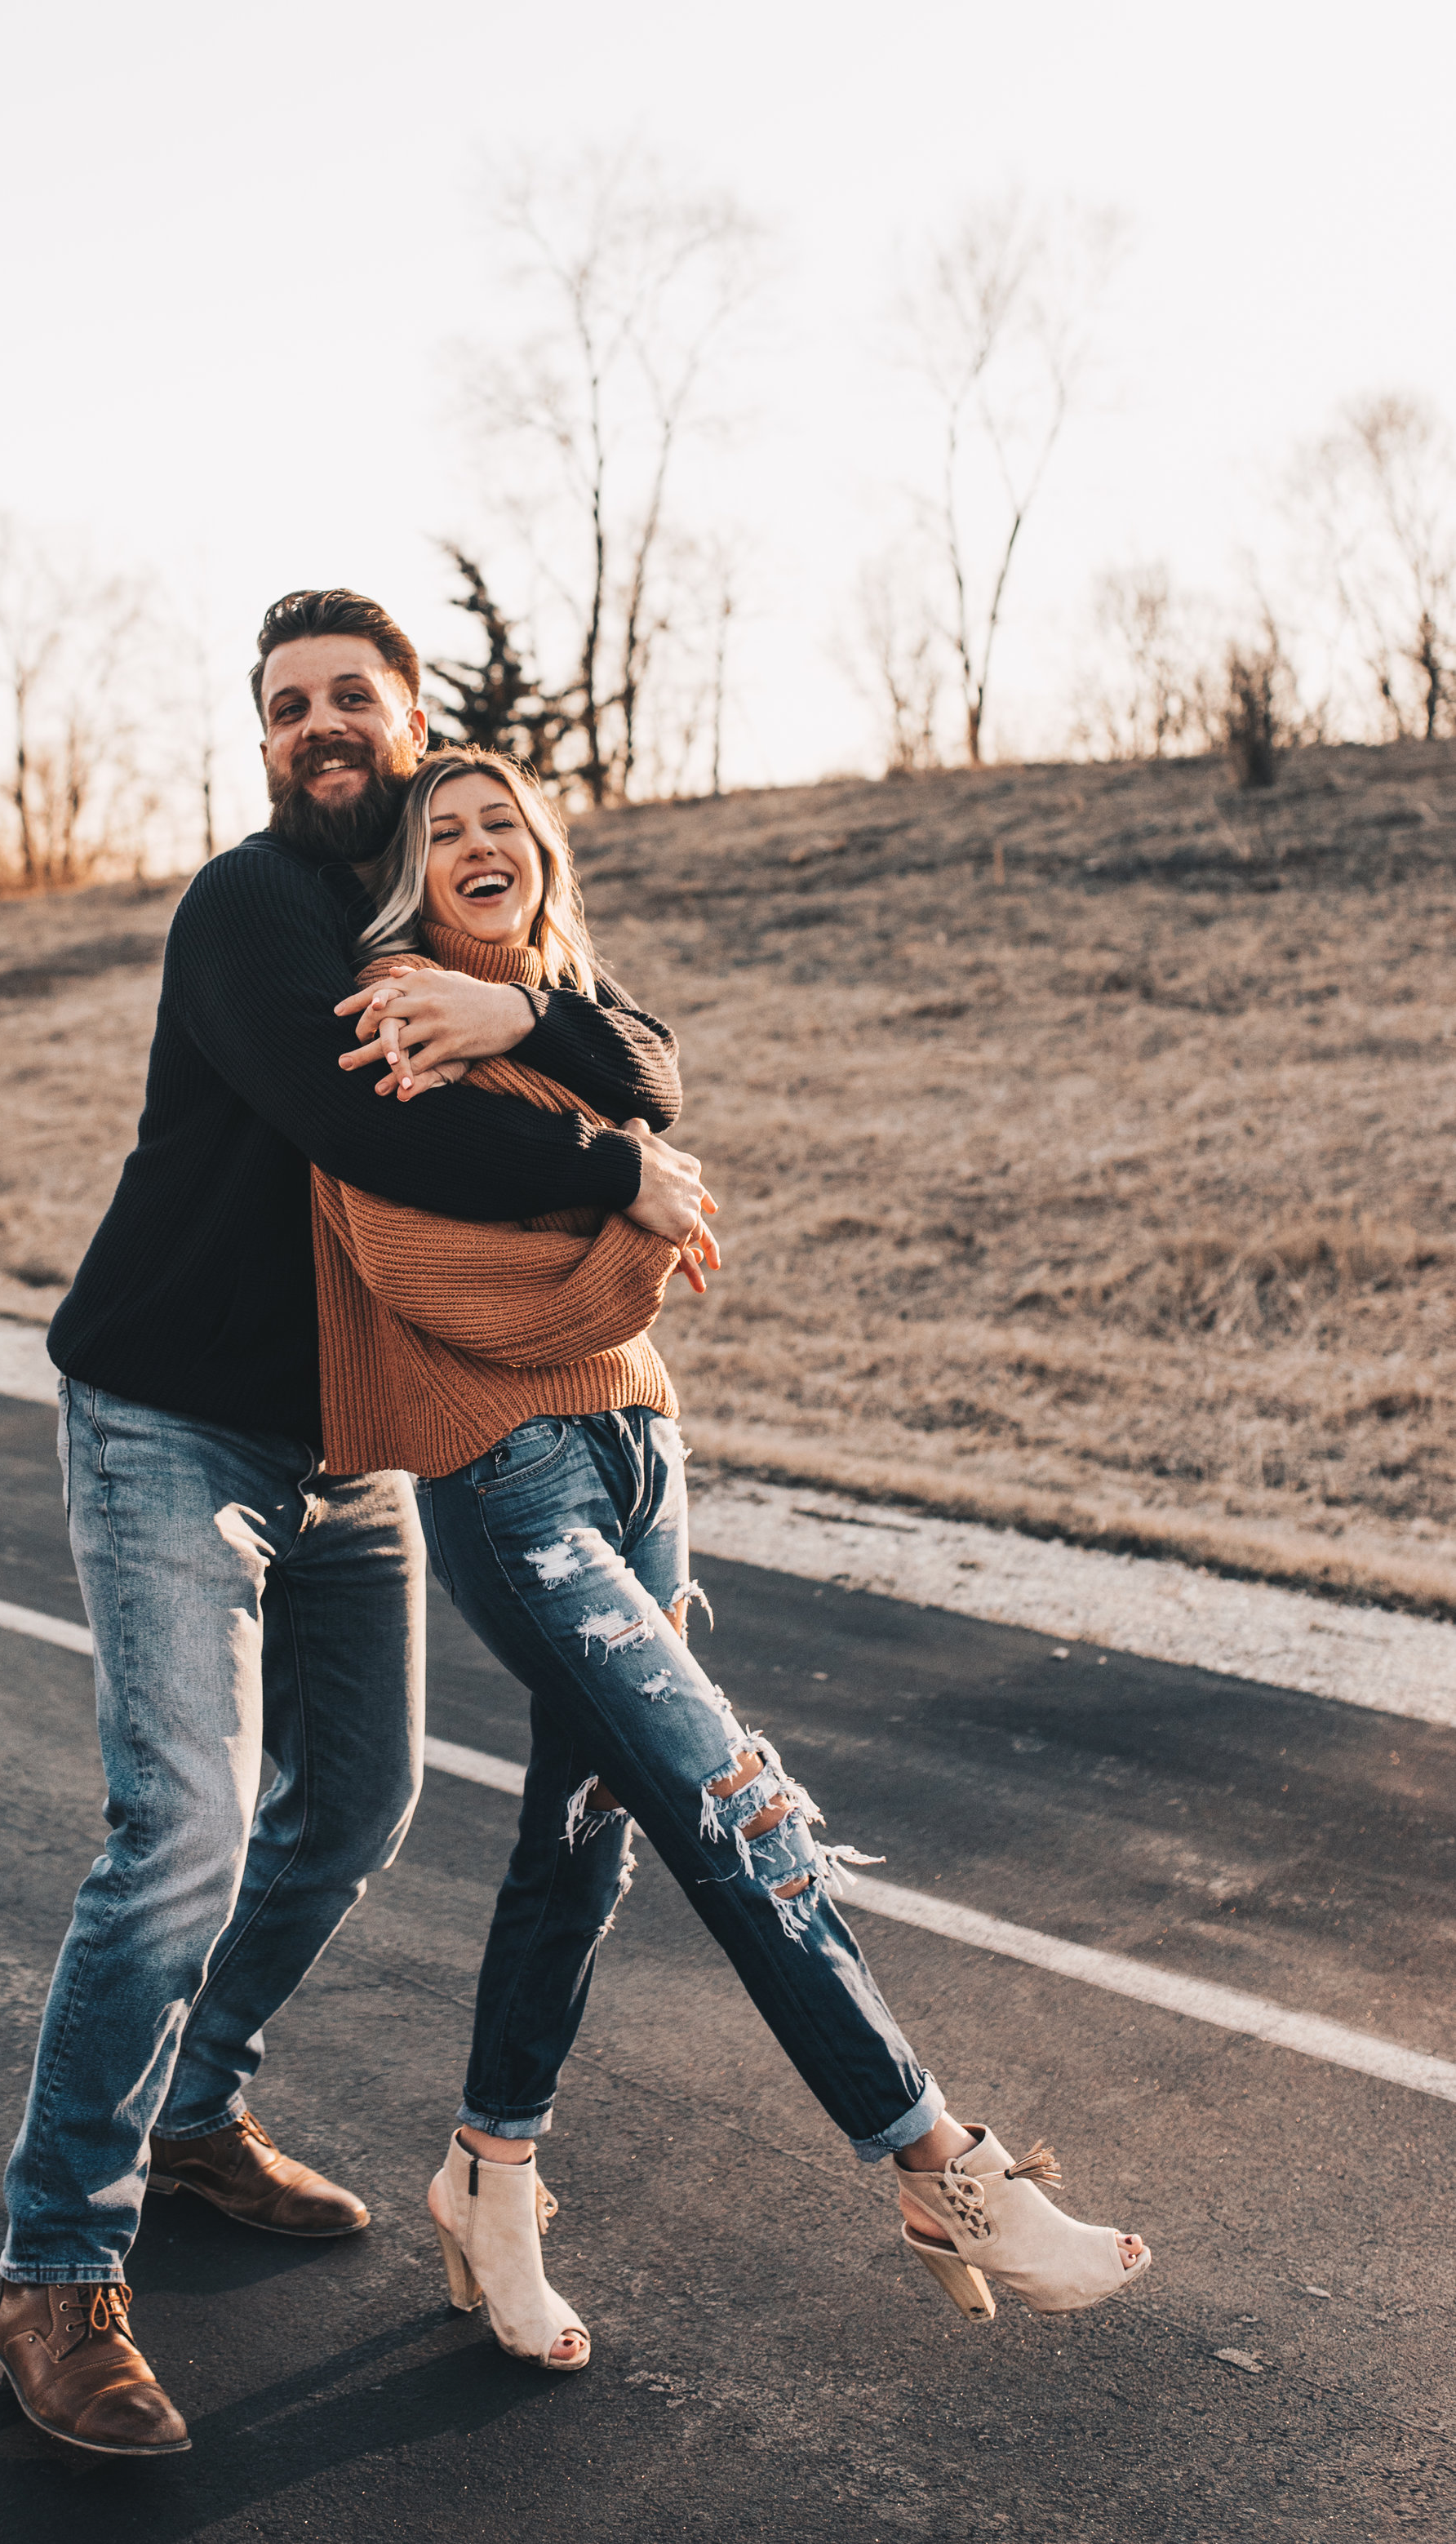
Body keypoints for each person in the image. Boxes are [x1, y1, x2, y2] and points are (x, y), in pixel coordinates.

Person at [0, 593, 717, 2457]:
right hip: (169, 1421)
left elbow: (643, 1044)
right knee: (186, 1828)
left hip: (349, 1437)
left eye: (349, 699)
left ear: (409, 722)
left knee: (360, 1801)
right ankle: (53, 2265)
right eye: (285, 704)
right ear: (263, 741)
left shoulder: (433, 901)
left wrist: (528, 1009)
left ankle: (195, 2103)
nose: (317, 724)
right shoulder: (248, 910)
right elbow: (372, 1124)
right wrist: (613, 1166)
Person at [312, 746, 1152, 2373]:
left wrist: (597, 1147)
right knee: (719, 1793)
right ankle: (936, 2166)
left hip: (639, 1454)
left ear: (544, 856)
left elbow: (650, 1078)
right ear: (405, 876)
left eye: (505, 822)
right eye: (444, 831)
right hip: (506, 1473)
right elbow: (442, 1293)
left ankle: (486, 2177)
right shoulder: (381, 1020)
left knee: (588, 1832)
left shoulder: (567, 1015)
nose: (480, 842)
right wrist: (633, 1241)